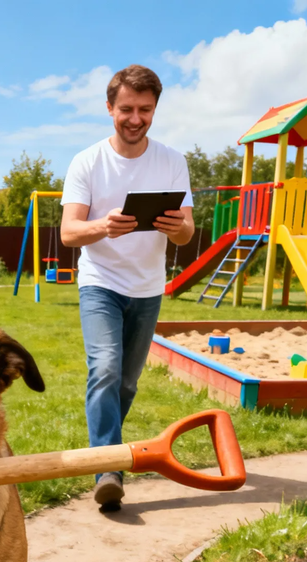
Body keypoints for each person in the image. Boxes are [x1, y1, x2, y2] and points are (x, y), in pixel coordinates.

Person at [60, 65, 195, 512]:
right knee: (104, 368)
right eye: (126, 109)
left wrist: (176, 227)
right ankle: (108, 469)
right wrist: (103, 226)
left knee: (127, 383)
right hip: (100, 283)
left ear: (154, 109)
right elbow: (68, 233)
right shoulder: (87, 161)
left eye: (145, 109)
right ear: (109, 109)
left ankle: (109, 453)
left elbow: (186, 234)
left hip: (148, 287)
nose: (135, 118)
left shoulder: (172, 161)